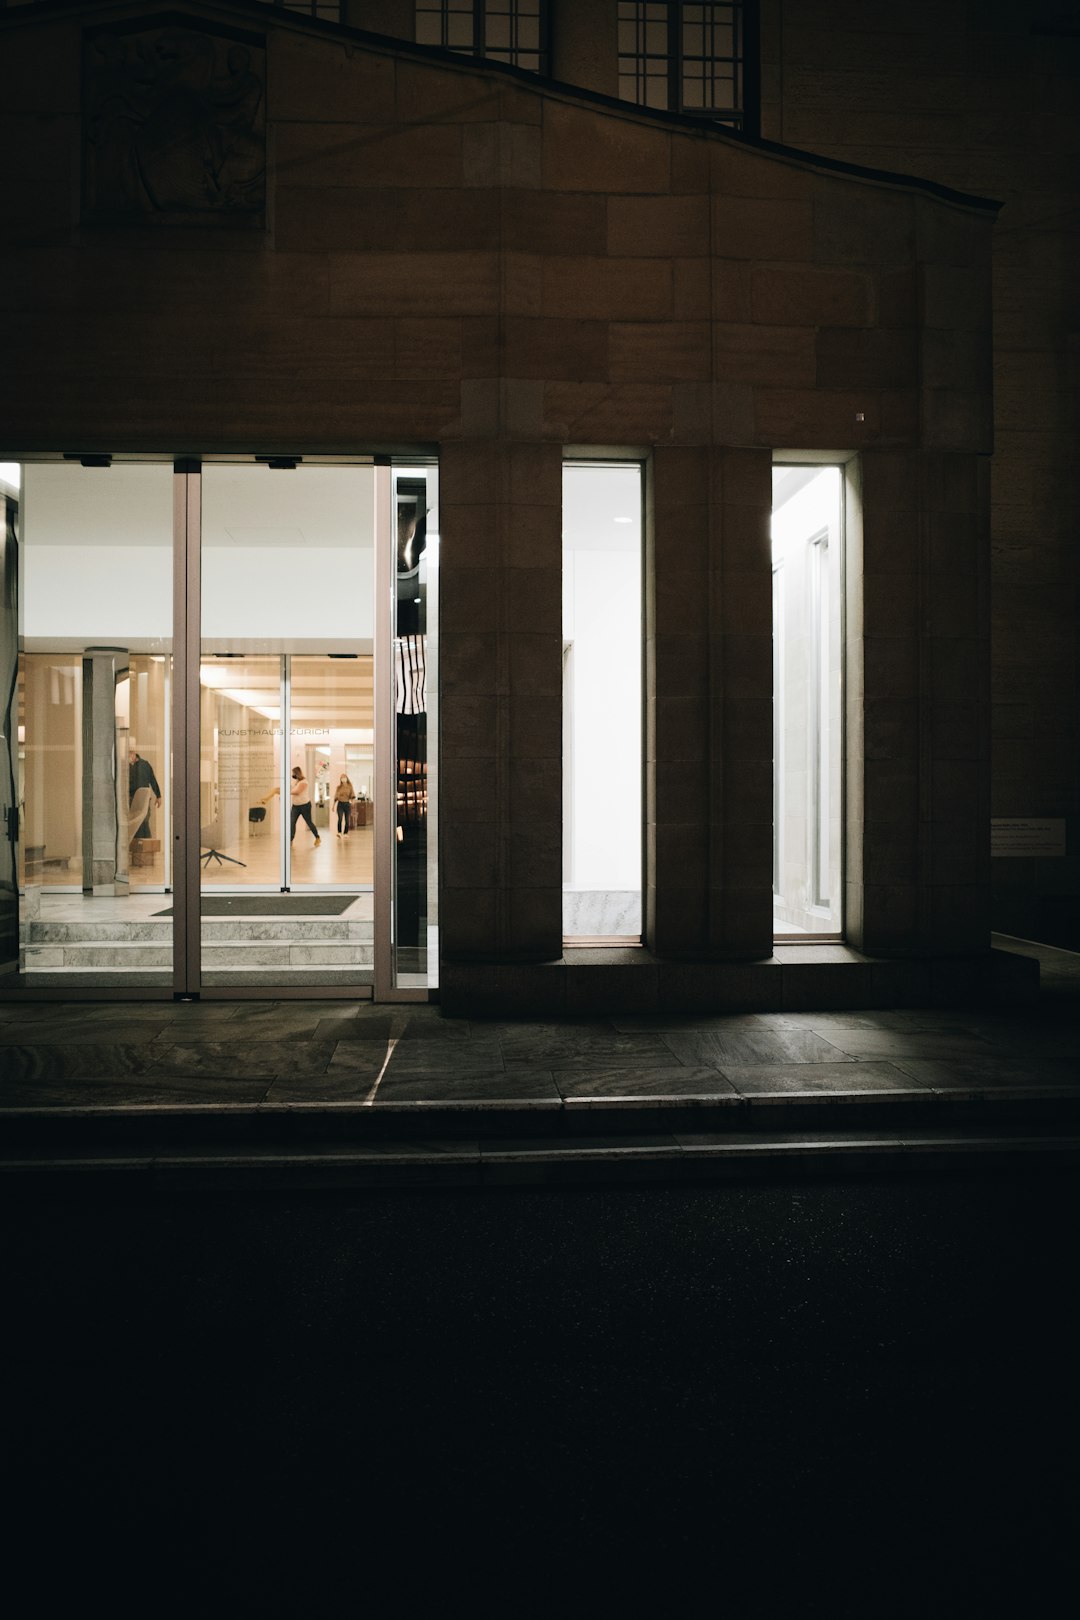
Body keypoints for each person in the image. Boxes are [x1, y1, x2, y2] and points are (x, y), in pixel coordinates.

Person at [128, 747, 161, 839]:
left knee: (144, 821)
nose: (128, 755)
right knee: (133, 823)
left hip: (144, 800)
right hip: (129, 799)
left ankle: (146, 844)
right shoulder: (124, 765)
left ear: (134, 752)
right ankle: (136, 846)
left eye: (130, 753)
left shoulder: (145, 765)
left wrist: (158, 796)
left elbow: (152, 780)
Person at [288, 766, 319, 847]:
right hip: (295, 806)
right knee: (292, 822)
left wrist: (288, 791)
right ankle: (290, 840)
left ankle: (317, 837)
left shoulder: (304, 782)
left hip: (305, 805)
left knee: (309, 822)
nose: (293, 775)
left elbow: (297, 792)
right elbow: (292, 790)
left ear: (297, 773)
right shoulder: (297, 782)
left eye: (293, 773)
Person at [333, 773, 354, 838]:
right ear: (340, 779)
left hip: (347, 804)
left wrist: (352, 802)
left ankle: (345, 833)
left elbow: (352, 795)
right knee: (340, 818)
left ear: (347, 778)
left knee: (347, 820)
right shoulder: (338, 787)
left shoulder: (350, 786)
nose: (343, 778)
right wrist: (333, 806)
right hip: (340, 804)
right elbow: (336, 797)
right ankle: (339, 832)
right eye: (342, 777)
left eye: (344, 777)